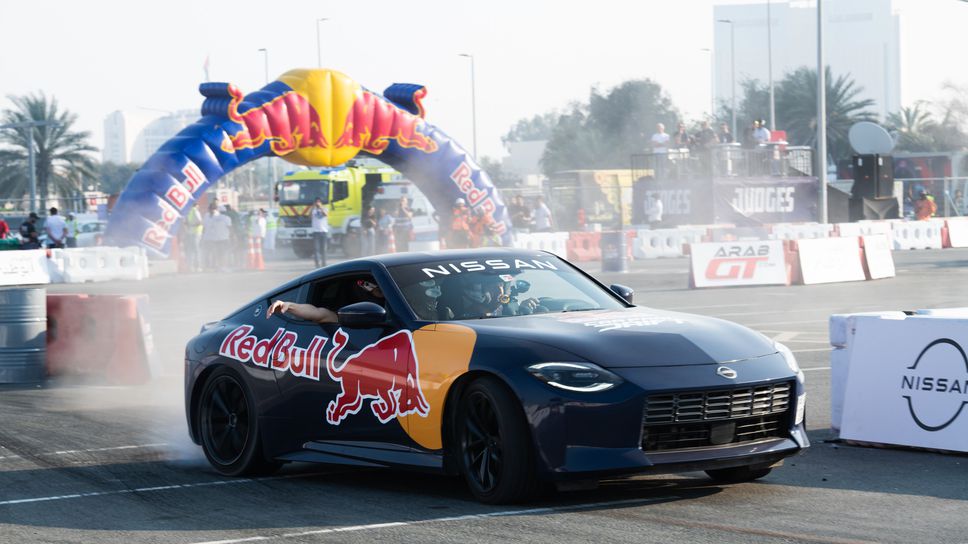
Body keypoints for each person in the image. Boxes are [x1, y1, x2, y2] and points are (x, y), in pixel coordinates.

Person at [266, 278, 385, 323]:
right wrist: (288, 305)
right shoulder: (345, 316)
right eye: (368, 286)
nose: (378, 290)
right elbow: (318, 313)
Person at [439, 274, 543, 320]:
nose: (499, 290)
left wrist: (523, 311)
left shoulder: (511, 309)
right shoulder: (462, 319)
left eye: (501, 284)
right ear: (475, 289)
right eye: (492, 286)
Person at [202, 202, 231, 271]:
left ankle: (222, 266)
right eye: (211, 209)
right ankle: (217, 266)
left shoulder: (222, 217)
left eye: (213, 209)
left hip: (222, 238)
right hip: (212, 238)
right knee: (215, 253)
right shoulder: (207, 216)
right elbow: (204, 227)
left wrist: (232, 236)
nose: (212, 210)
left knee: (222, 253)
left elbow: (230, 227)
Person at [184, 205, 204, 272]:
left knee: (196, 249)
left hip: (196, 233)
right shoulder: (188, 211)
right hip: (191, 233)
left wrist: (191, 226)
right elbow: (186, 222)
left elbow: (200, 222)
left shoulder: (195, 211)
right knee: (191, 249)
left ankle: (198, 266)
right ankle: (191, 266)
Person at [310, 198, 329, 267]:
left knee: (323, 249)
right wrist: (313, 207)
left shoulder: (325, 209)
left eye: (319, 202)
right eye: (316, 202)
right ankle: (317, 264)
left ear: (321, 202)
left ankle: (324, 264)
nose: (317, 203)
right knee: (316, 249)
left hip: (323, 232)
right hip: (316, 232)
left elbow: (326, 214)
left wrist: (321, 208)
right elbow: (309, 217)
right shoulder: (313, 210)